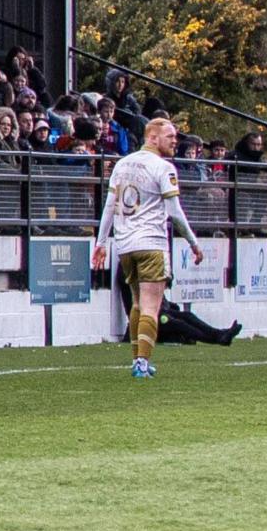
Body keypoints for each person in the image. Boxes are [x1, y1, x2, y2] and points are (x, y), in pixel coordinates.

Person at [97, 116, 204, 379]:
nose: (175, 141)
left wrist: (101, 242)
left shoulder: (122, 164)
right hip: (151, 243)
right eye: (170, 136)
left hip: (125, 245)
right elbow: (175, 212)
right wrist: (193, 242)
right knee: (150, 307)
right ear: (152, 137)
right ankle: (142, 363)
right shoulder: (163, 167)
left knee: (136, 303)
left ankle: (137, 358)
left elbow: (109, 207)